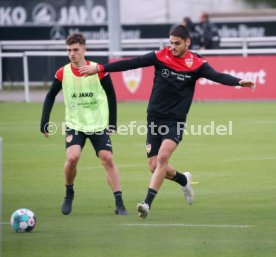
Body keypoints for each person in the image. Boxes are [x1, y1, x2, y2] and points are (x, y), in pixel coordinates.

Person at [79, 25, 255, 219]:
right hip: (154, 117)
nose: (173, 47)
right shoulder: (160, 56)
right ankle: (183, 180)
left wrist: (238, 81)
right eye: (171, 42)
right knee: (154, 166)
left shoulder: (196, 63)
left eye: (177, 43)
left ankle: (146, 204)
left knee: (163, 158)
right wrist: (100, 68)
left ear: (188, 42)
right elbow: (131, 63)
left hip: (176, 121)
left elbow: (218, 76)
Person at [40, 33, 128, 216]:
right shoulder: (62, 72)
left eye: (75, 50)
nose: (72, 53)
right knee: (72, 158)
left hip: (98, 124)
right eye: (69, 50)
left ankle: (119, 203)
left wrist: (112, 123)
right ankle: (69, 192)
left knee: (108, 159)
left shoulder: (98, 70)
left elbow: (111, 95)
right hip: (75, 124)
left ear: (84, 50)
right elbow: (50, 96)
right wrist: (44, 122)